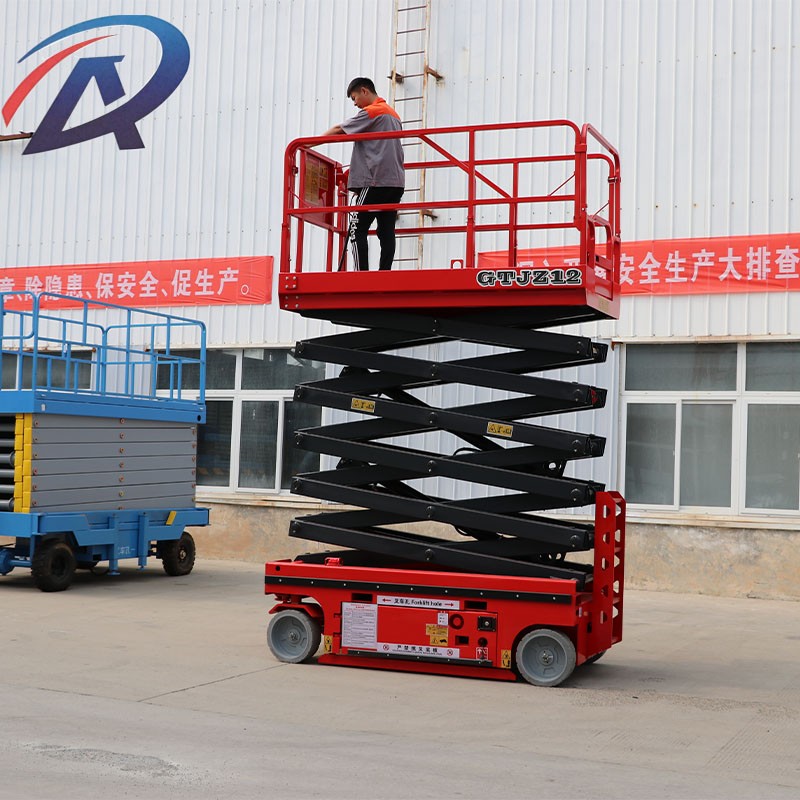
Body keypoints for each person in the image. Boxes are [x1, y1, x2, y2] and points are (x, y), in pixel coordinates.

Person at [324, 77, 405, 271]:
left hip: (375, 181)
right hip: (395, 182)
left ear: (364, 91)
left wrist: (307, 143)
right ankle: (384, 273)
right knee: (386, 230)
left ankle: (362, 275)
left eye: (354, 98)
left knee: (356, 229)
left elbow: (339, 129)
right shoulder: (393, 114)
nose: (355, 103)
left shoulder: (372, 111)